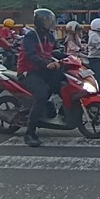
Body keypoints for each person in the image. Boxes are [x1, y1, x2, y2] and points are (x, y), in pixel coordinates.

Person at [16, 9, 61, 147]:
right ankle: (30, 133)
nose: (50, 22)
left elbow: (57, 51)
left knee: (62, 84)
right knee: (41, 95)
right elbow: (32, 55)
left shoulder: (50, 36)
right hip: (28, 71)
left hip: (44, 70)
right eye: (47, 20)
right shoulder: (31, 36)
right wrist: (47, 64)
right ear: (40, 21)